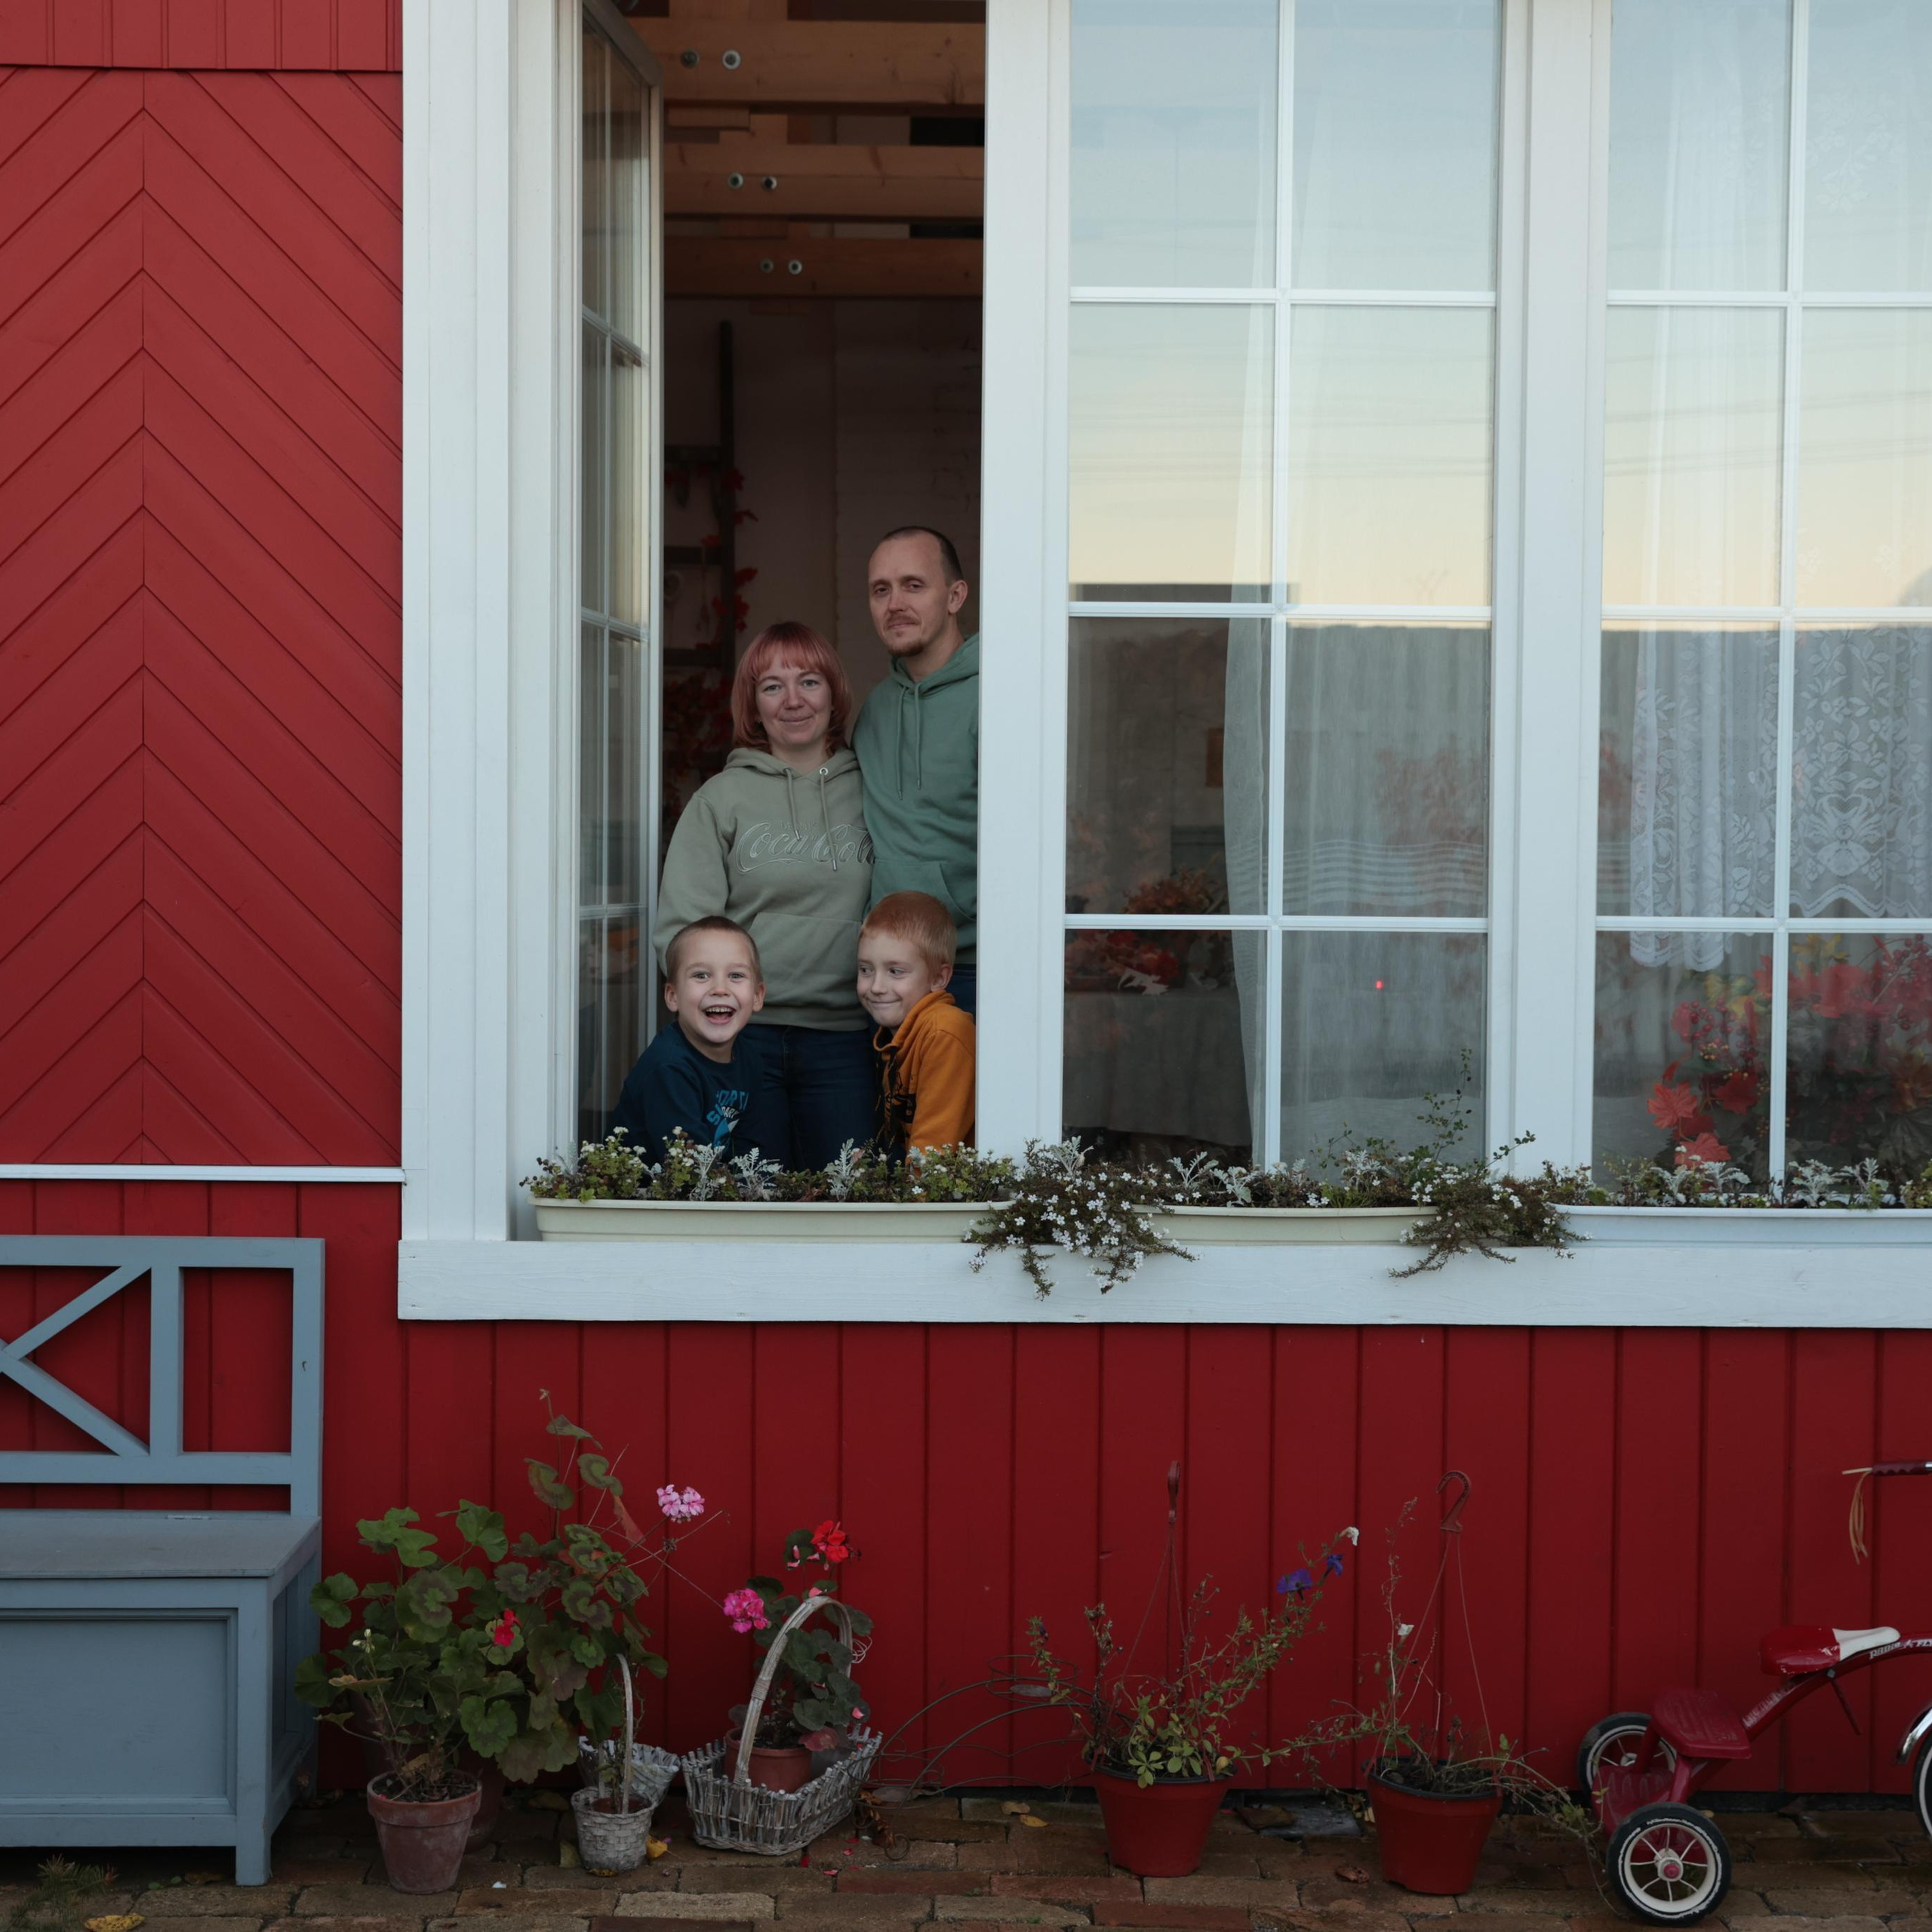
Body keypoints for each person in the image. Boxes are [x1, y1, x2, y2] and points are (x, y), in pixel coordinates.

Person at [655, 620, 875, 1168]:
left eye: (809, 681)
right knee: (750, 1196)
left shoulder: (873, 790)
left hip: (847, 1037)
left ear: (834, 694)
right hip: (741, 1042)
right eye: (773, 686)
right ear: (754, 706)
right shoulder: (720, 799)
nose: (793, 700)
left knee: (849, 1196)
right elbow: (684, 931)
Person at [853, 527, 980, 1016]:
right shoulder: (875, 711)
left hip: (971, 969)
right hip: (886, 975)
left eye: (913, 585)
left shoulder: (997, 695)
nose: (894, 603)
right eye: (881, 590)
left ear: (955, 596)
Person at [612, 917, 765, 1163]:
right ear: (673, 996)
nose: (720, 989)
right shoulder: (668, 1069)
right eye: (701, 975)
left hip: (708, 1193)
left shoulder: (750, 1059)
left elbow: (751, 1148)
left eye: (736, 975)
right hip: (645, 1197)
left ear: (758, 996)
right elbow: (688, 1166)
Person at [858, 891, 975, 1155]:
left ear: (938, 978)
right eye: (866, 969)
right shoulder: (897, 1033)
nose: (876, 987)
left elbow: (932, 1155)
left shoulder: (944, 1032)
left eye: (895, 971)